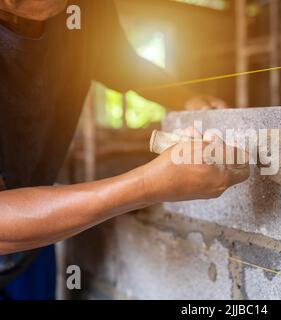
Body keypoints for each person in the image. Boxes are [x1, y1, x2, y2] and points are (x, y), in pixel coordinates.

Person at [0, 0, 249, 299]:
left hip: (37, 227)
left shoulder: (84, 10)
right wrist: (147, 184)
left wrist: (187, 99)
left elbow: (124, 65)